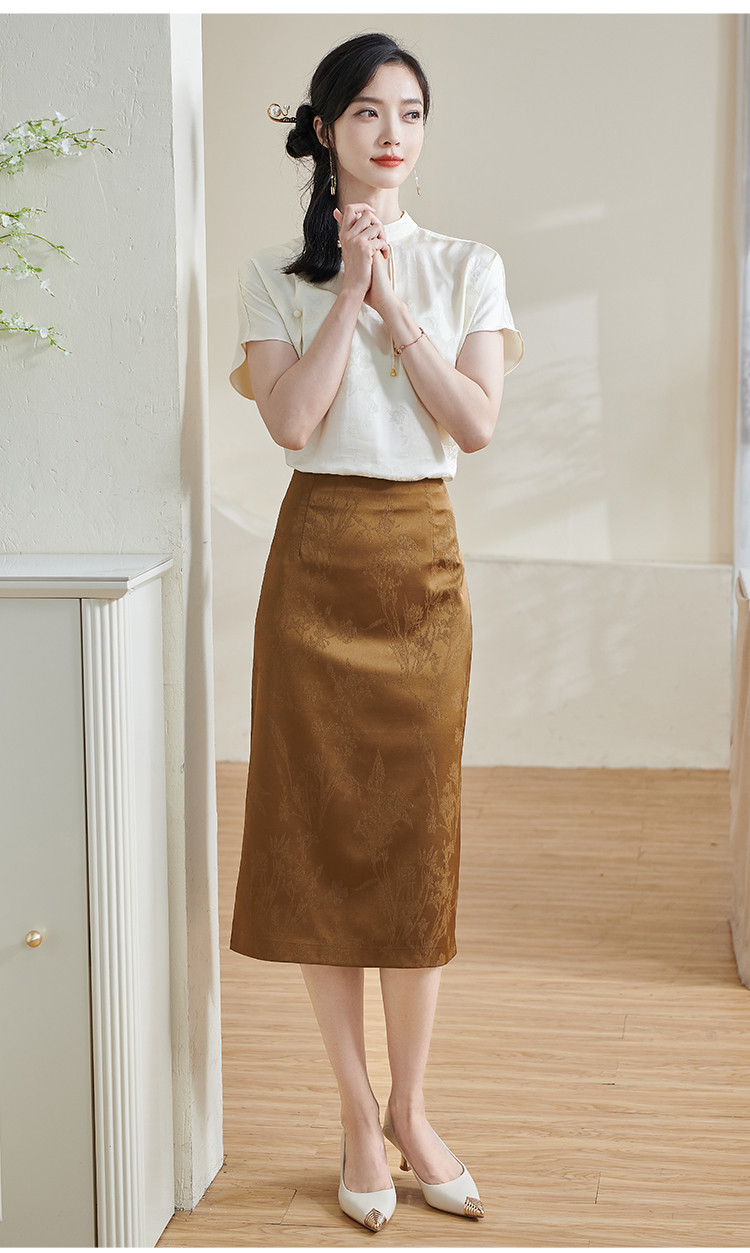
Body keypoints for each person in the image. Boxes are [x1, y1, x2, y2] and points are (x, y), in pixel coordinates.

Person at [228, 31, 524, 1233]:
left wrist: (397, 298)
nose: (390, 132)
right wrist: (346, 292)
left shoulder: (468, 266)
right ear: (324, 131)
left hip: (422, 567)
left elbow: (474, 423)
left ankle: (412, 1105)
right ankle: (357, 1114)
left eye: (408, 112)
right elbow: (292, 423)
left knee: (414, 840)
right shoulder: (272, 274)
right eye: (364, 112)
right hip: (314, 564)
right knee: (316, 842)